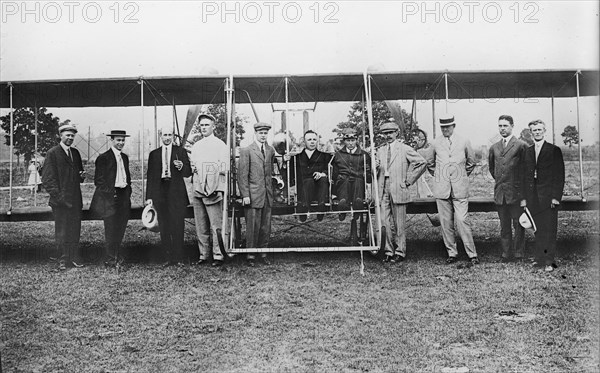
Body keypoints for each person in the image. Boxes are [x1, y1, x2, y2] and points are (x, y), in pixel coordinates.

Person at [426, 115, 479, 264]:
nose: (445, 129)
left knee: (462, 220)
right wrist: (439, 176)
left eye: (448, 127)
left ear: (454, 126)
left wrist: (460, 176)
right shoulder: (435, 142)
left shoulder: (464, 141)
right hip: (441, 189)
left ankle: (472, 254)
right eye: (442, 127)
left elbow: (471, 162)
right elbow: (429, 163)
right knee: (446, 223)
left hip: (460, 189)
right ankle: (452, 253)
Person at [375, 122, 427, 262]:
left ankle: (400, 251)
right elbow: (374, 170)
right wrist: (375, 166)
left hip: (399, 188)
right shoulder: (380, 150)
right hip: (382, 189)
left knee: (399, 223)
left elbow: (421, 162)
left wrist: (409, 180)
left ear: (397, 133)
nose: (388, 136)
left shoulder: (404, 148)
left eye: (391, 133)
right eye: (385, 133)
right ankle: (388, 251)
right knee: (383, 221)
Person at [41, 123, 86, 270]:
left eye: (73, 135)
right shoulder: (53, 153)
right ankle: (62, 259)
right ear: (61, 136)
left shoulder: (76, 153)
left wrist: (81, 176)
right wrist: (59, 198)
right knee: (62, 230)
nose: (70, 138)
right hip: (60, 201)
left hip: (75, 200)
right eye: (68, 135)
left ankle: (73, 257)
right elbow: (47, 179)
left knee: (74, 228)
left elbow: (79, 175)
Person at [145, 125, 192, 267]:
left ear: (173, 136)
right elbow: (151, 176)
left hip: (176, 192)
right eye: (164, 135)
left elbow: (188, 172)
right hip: (160, 193)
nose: (167, 138)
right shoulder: (154, 154)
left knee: (177, 225)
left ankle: (178, 258)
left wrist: (182, 166)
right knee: (164, 226)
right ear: (161, 136)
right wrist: (149, 197)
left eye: (169, 135)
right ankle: (167, 257)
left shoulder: (181, 152)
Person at [522, 119, 565, 272]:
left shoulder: (554, 150)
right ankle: (539, 258)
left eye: (540, 129)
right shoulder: (528, 151)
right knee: (537, 229)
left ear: (544, 131)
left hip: (548, 198)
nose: (537, 132)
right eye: (534, 130)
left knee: (550, 229)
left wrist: (555, 197)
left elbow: (559, 176)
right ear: (531, 133)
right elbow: (525, 176)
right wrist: (525, 199)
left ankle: (549, 260)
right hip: (533, 198)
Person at [190, 113, 229, 267]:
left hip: (213, 190)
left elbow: (224, 168)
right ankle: (203, 255)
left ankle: (218, 255)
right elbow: (194, 167)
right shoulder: (196, 146)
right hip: (198, 189)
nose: (204, 127)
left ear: (213, 126)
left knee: (216, 225)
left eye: (207, 125)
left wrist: (217, 188)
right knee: (201, 225)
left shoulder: (220, 145)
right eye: (202, 125)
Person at [488, 115, 528, 262]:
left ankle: (518, 253)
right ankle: (506, 253)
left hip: (516, 193)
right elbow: (493, 169)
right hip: (500, 194)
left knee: (518, 224)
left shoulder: (521, 145)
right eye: (500, 126)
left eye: (505, 125)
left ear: (512, 126)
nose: (502, 129)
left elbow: (526, 171)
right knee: (504, 226)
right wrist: (501, 183)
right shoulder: (494, 147)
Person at [90, 130, 132, 268]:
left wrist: (127, 192)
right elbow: (99, 181)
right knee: (111, 228)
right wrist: (111, 193)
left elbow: (127, 178)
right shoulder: (104, 158)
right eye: (118, 140)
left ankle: (116, 254)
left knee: (120, 228)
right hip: (110, 198)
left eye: (122, 140)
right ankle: (110, 258)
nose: (120, 143)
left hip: (123, 197)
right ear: (112, 140)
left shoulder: (124, 157)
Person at [237, 122, 276, 266]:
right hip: (253, 195)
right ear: (255, 134)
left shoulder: (270, 150)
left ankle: (263, 253)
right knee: (253, 226)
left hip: (267, 195)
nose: (263, 136)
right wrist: (245, 195)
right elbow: (242, 175)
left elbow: (271, 170)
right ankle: (251, 255)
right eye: (261, 133)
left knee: (266, 227)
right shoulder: (247, 151)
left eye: (265, 133)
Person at [286, 130, 332, 222]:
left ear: (317, 141)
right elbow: (289, 174)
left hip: (320, 190)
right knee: (309, 181)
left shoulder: (324, 156)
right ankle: (304, 207)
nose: (312, 142)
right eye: (309, 139)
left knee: (323, 179)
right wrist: (285, 161)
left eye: (314, 139)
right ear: (304, 141)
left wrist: (323, 173)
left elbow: (330, 169)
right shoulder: (296, 157)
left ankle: (321, 207)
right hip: (304, 190)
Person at [332, 128, 372, 221]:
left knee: (358, 182)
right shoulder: (338, 155)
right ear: (344, 141)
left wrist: (368, 178)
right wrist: (333, 192)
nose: (350, 143)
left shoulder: (364, 155)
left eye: (353, 140)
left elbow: (368, 172)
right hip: (343, 180)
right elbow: (334, 173)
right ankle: (342, 206)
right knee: (343, 182)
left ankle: (358, 205)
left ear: (356, 141)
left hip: (358, 179)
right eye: (348, 140)